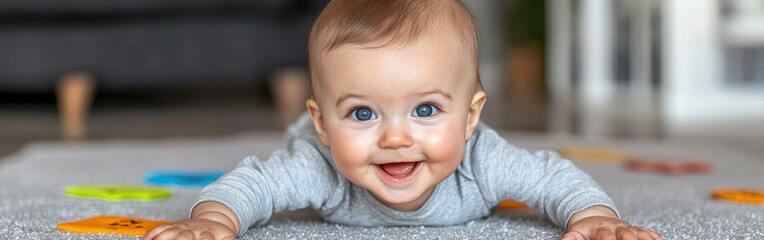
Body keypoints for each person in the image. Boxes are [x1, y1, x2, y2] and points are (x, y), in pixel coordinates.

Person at [144, 0, 662, 239]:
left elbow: (556, 179)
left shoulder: (481, 160)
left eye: (426, 110)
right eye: (363, 112)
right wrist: (211, 221)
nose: (396, 137)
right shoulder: (318, 162)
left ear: (470, 116)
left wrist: (593, 217)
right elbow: (247, 187)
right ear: (325, 125)